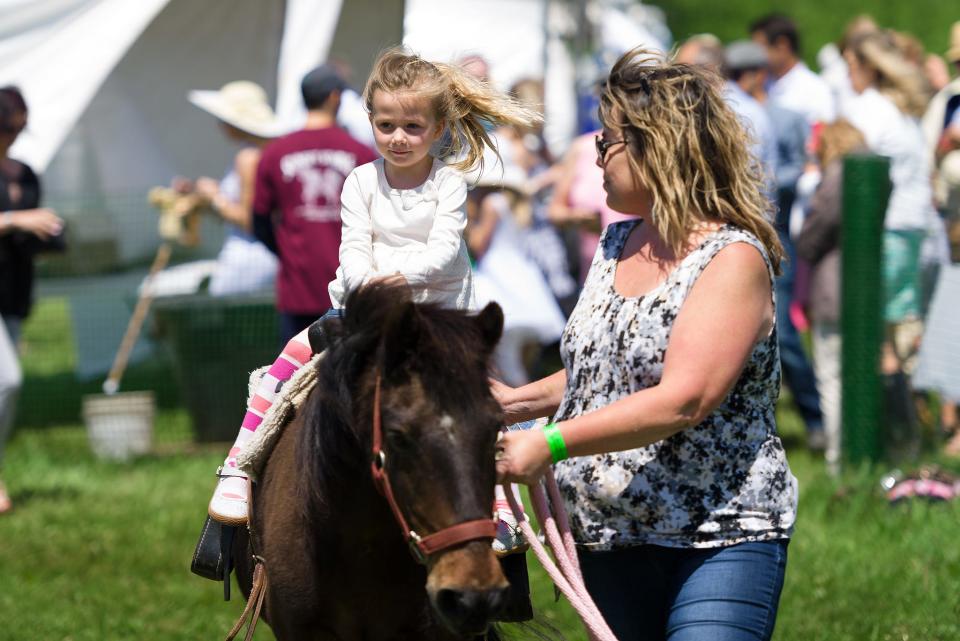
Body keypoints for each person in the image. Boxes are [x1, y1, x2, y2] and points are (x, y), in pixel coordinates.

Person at [492, 49, 797, 640]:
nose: (596, 155)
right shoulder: (615, 243)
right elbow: (605, 368)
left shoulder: (730, 257)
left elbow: (684, 396)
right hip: (609, 534)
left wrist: (549, 444)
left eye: (606, 141)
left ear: (657, 144)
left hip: (717, 536)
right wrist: (516, 404)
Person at [210, 49, 540, 556]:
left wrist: (394, 281)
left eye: (413, 125)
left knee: (481, 398)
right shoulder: (360, 180)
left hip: (438, 316)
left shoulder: (449, 183)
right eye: (386, 125)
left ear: (438, 126)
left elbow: (444, 249)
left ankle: (493, 494)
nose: (399, 137)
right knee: (283, 368)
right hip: (361, 311)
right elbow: (354, 249)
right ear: (370, 122)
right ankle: (239, 465)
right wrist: (373, 290)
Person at [728, 39, 828, 451]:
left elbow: (767, 179)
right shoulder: (750, 112)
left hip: (761, 232)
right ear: (755, 75)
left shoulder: (755, 114)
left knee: (778, 333)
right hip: (761, 232)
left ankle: (813, 416)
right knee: (767, 333)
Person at [251, 64, 378, 344]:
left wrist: (286, 250)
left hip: (297, 288)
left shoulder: (275, 153)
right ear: (335, 97)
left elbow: (258, 220)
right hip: (350, 288)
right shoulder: (360, 152)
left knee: (295, 379)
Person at [841, 32, 935, 383]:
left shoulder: (868, 110)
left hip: (881, 228)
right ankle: (904, 426)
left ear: (868, 68)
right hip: (909, 226)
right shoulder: (902, 109)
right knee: (895, 331)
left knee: (874, 334)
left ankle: (887, 427)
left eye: (851, 66)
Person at [0, 86, 65, 514]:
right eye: (10, 127)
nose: (15, 135)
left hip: (13, 290)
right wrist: (16, 219)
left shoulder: (24, 173)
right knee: (9, 380)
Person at [796, 119, 868, 472]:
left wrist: (801, 244)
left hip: (833, 283)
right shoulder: (874, 171)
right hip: (866, 284)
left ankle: (838, 457)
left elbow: (814, 230)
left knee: (831, 374)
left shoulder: (839, 176)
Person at [185, 80, 281, 296]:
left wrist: (215, 197)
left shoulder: (248, 158)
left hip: (249, 260)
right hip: (268, 258)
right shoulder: (270, 151)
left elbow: (250, 220)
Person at [750, 13, 836, 128]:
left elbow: (819, 138)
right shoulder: (759, 83)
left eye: (760, 47)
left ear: (782, 45)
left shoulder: (816, 91)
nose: (755, 56)